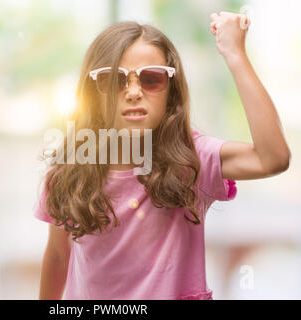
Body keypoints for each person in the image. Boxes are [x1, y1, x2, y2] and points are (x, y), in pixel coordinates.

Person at [34, 13, 291, 300]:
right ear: (94, 91)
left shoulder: (191, 160)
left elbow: (273, 158)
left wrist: (235, 55)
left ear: (171, 91)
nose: (133, 92)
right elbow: (58, 257)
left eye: (151, 79)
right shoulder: (70, 171)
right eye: (115, 80)